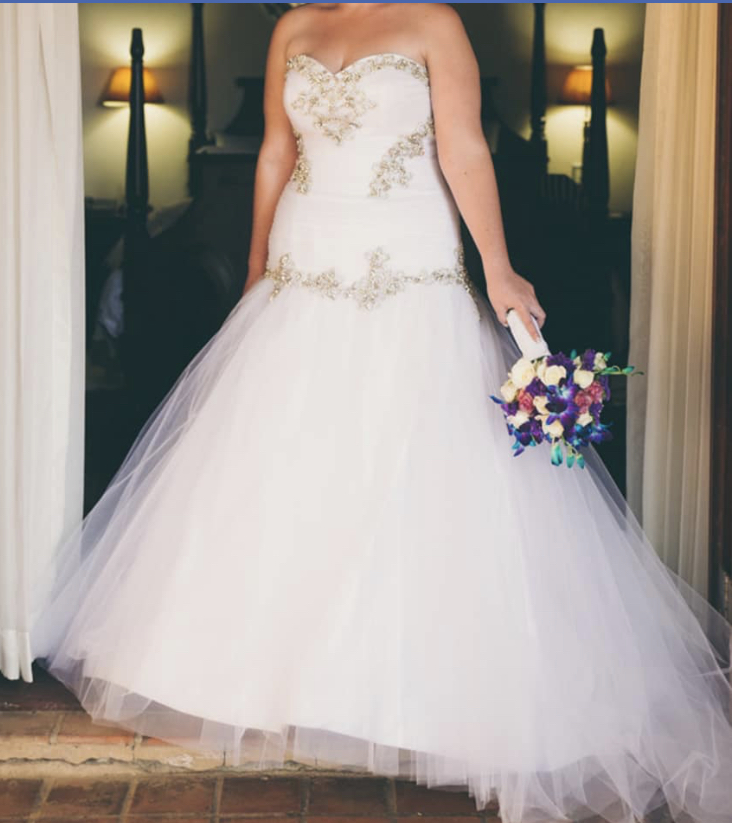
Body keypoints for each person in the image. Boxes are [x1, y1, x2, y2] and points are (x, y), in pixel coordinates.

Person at [31, 5, 732, 823]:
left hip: (408, 256)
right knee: (283, 455)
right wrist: (256, 267)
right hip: (304, 256)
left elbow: (464, 148)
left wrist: (498, 268)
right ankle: (278, 678)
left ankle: (405, 694)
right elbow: (276, 151)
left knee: (412, 457)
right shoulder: (294, 27)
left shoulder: (433, 22)